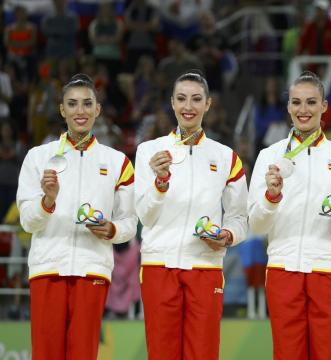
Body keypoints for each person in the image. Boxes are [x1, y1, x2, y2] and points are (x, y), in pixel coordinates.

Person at [248, 71, 331, 360]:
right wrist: (271, 196)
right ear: (288, 107)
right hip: (283, 269)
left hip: (330, 271)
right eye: (297, 103)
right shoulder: (269, 156)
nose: (304, 110)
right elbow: (256, 223)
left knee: (329, 353)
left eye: (311, 102)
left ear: (324, 107)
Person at [17, 73, 137, 360]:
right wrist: (47, 201)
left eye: (86, 104)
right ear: (62, 110)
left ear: (98, 109)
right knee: (45, 354)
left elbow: (129, 224)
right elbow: (27, 221)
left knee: (83, 354)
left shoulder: (117, 161)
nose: (80, 111)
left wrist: (111, 229)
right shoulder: (37, 157)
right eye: (72, 104)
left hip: (92, 268)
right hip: (48, 268)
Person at [134, 71, 248, 360]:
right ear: (172, 103)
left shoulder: (225, 157)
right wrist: (160, 183)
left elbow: (239, 218)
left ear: (208, 104)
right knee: (162, 353)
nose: (189, 106)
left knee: (204, 353)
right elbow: (144, 216)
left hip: (205, 267)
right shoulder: (150, 151)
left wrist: (227, 236)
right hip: (160, 265)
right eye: (182, 99)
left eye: (196, 99)